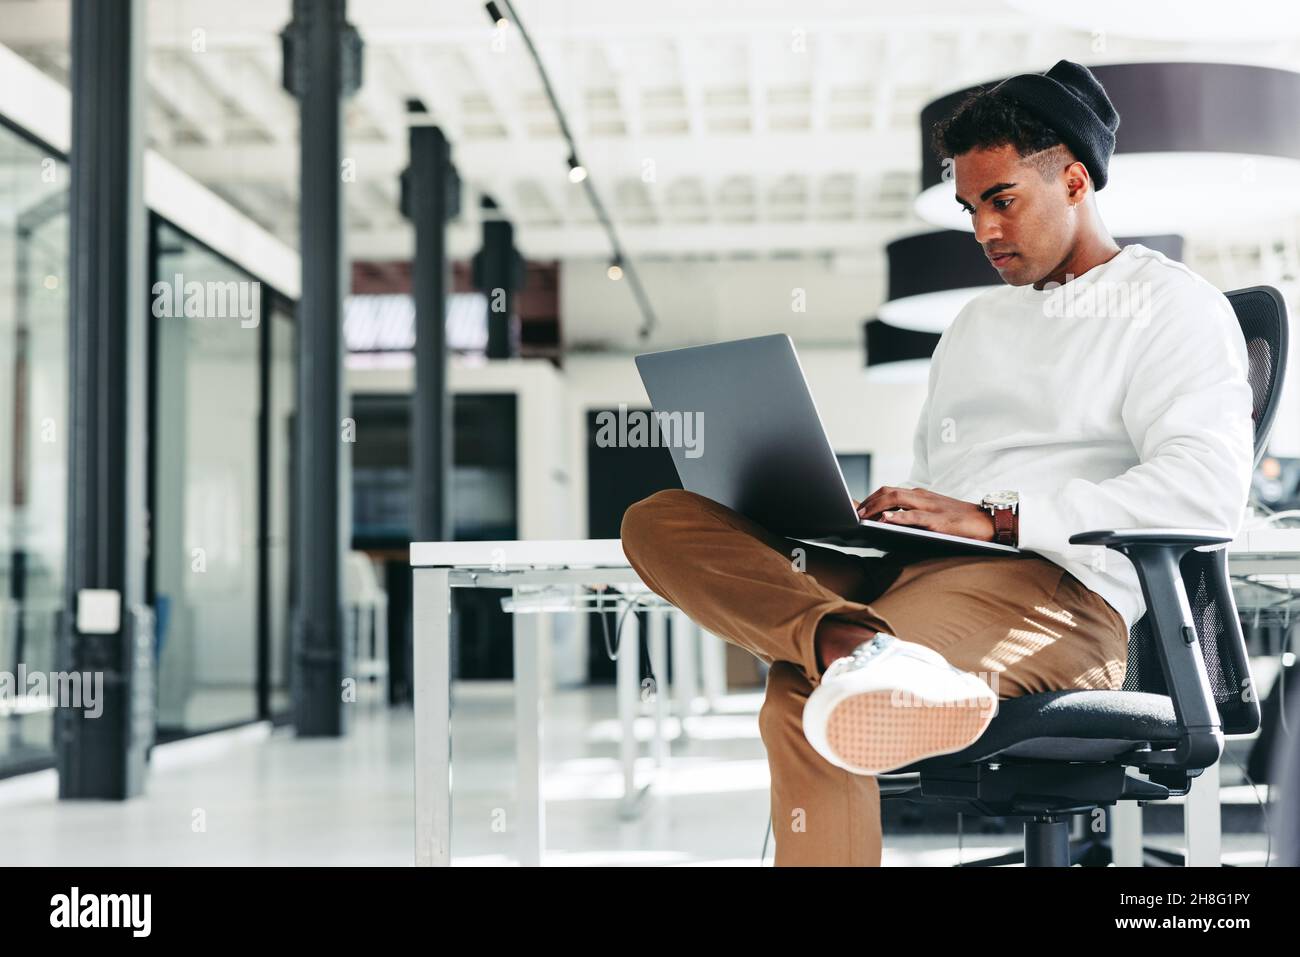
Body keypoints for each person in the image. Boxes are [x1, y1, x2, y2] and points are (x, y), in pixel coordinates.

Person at [620, 60, 1255, 866]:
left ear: (1072, 179)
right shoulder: (972, 327)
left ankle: (851, 653)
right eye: (969, 208)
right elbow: (943, 477)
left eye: (1002, 201)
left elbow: (1204, 493)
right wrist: (892, 514)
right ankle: (856, 646)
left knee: (801, 696)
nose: (984, 231)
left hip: (1057, 597)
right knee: (660, 518)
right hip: (918, 574)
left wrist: (999, 516)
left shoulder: (1171, 306)